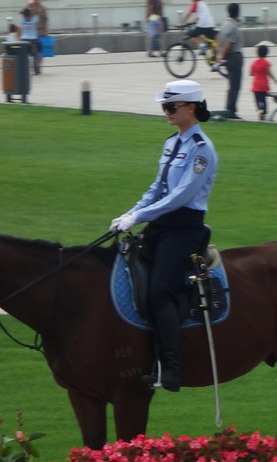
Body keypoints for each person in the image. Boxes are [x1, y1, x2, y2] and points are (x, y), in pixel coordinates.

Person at [109, 80, 218, 393]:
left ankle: (170, 368)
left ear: (191, 107)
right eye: (164, 107)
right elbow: (156, 189)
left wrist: (140, 216)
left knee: (159, 290)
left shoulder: (202, 150)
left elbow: (181, 196)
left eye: (172, 107)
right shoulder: (172, 143)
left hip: (184, 227)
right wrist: (129, 214)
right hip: (160, 223)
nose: (167, 112)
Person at [217, 3, 243, 119]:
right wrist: (222, 56)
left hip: (228, 58)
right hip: (234, 56)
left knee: (232, 85)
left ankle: (229, 108)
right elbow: (229, 44)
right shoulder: (234, 26)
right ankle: (231, 110)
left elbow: (219, 41)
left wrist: (220, 55)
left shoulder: (224, 25)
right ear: (237, 12)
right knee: (235, 85)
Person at [250, 44, 277, 120]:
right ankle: (264, 112)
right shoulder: (266, 63)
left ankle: (260, 109)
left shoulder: (254, 63)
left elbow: (251, 73)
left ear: (257, 52)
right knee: (263, 99)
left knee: (258, 99)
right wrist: (275, 80)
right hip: (264, 84)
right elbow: (269, 73)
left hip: (256, 84)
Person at [18, 7, 41, 74]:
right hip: (33, 39)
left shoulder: (21, 19)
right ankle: (36, 69)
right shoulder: (34, 19)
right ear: (30, 15)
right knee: (35, 55)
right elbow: (38, 13)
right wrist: (32, 11)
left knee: (25, 55)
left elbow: (19, 12)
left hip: (24, 39)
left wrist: (24, 11)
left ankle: (24, 69)